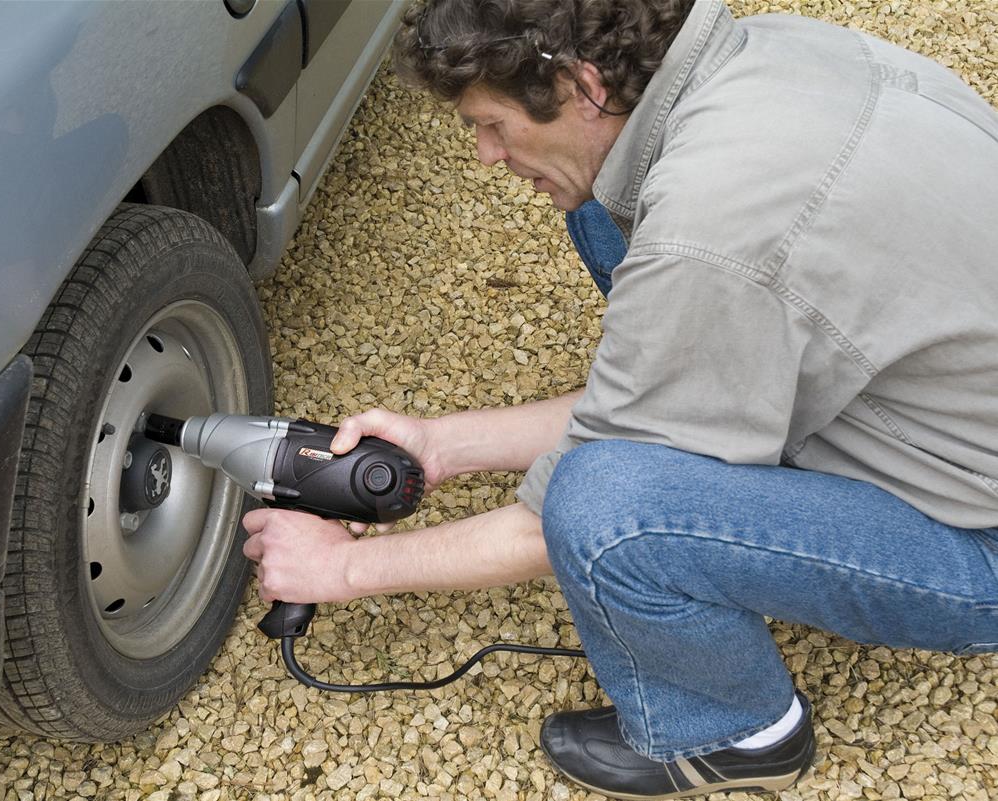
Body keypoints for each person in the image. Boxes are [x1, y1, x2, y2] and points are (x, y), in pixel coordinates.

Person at [241, 0, 998, 797]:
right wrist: (441, 444)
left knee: (601, 508)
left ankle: (736, 731)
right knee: (598, 206)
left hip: (978, 542)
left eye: (492, 125)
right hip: (930, 382)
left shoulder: (713, 230)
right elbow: (676, 360)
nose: (484, 156)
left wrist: (345, 568)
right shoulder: (758, 55)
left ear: (581, 84)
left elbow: (552, 522)